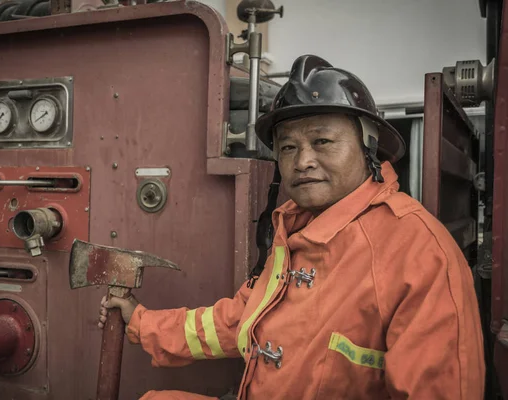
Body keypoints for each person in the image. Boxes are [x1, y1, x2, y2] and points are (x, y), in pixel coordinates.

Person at [98, 55, 485, 399]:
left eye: (322, 141)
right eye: (288, 147)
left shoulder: (419, 252)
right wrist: (142, 321)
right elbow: (239, 322)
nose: (303, 161)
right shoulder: (291, 230)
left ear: (369, 148)